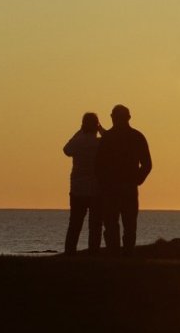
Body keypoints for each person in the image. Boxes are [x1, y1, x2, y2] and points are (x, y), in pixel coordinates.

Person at [95, 104, 152, 256]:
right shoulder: (136, 137)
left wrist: (136, 180)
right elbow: (147, 164)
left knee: (116, 224)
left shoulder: (109, 138)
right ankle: (126, 255)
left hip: (114, 188)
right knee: (127, 224)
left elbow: (98, 165)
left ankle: (116, 255)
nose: (113, 119)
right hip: (124, 188)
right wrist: (137, 180)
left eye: (114, 116)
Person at [62, 112, 105, 255]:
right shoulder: (100, 143)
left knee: (74, 223)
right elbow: (111, 142)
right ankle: (93, 253)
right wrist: (101, 130)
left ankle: (69, 253)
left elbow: (66, 150)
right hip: (96, 189)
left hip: (78, 188)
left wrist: (79, 131)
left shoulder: (78, 142)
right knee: (95, 225)